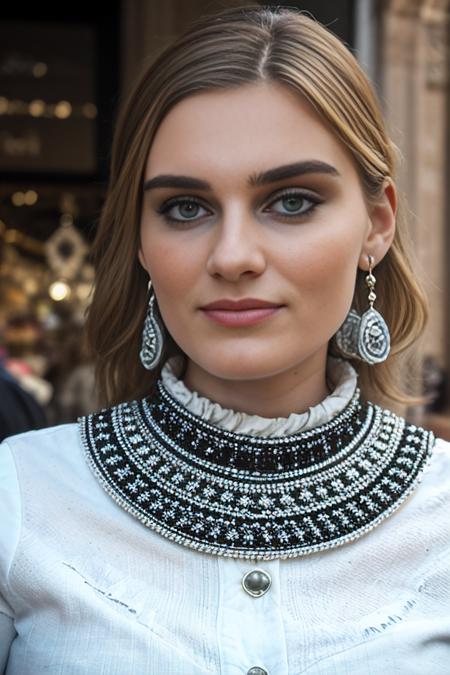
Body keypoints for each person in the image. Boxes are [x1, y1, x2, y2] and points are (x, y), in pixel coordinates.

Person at [0, 4, 449, 673]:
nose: (233, 255)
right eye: (186, 208)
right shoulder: (19, 496)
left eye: (291, 201)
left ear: (376, 224)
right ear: (143, 242)